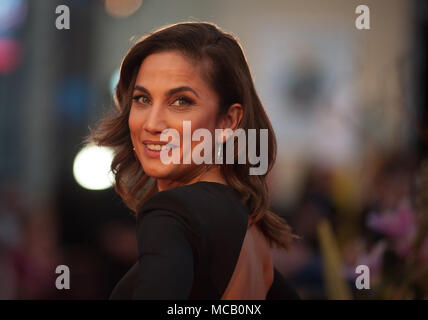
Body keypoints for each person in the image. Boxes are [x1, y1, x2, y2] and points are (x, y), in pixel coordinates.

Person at [88, 21, 299, 299]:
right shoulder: (250, 226)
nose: (152, 123)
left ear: (228, 121)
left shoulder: (173, 212)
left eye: (181, 101)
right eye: (142, 99)